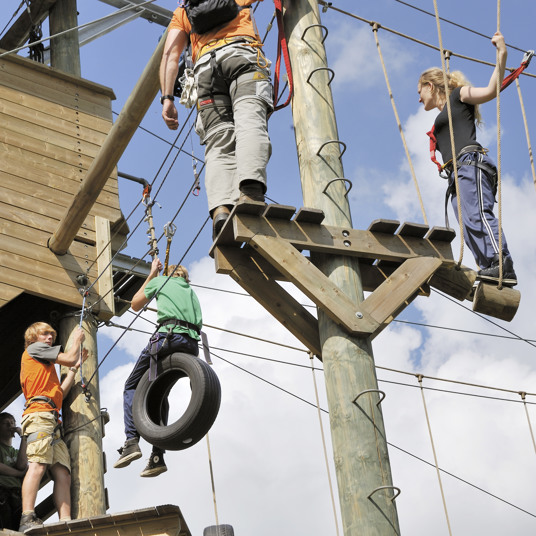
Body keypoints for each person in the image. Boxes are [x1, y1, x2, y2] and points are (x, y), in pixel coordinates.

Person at [159, 0, 273, 238]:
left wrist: (167, 98)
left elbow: (170, 55)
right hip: (242, 56)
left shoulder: (183, 12)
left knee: (218, 140)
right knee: (250, 121)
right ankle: (250, 191)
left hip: (205, 72)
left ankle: (221, 209)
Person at [418, 31, 517, 286]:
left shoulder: (458, 95)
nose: (419, 97)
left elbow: (491, 91)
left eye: (420, 91)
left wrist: (502, 53)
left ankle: (501, 262)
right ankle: (489, 267)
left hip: (470, 164)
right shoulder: (441, 116)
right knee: (466, 221)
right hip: (457, 173)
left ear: (430, 86)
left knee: (476, 214)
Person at [114, 257, 203, 477]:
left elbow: (135, 304)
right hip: (191, 345)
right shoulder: (191, 292)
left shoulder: (161, 280)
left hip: (167, 339)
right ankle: (157, 456)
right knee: (159, 393)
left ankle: (131, 441)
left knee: (132, 386)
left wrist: (152, 274)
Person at [19, 322, 88, 533]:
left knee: (62, 473)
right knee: (38, 464)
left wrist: (74, 369)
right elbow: (68, 357)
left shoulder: (45, 368)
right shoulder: (34, 349)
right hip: (39, 415)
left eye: (52, 334)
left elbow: (60, 394)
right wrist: (76, 341)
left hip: (51, 418)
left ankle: (65, 520)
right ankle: (27, 516)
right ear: (33, 338)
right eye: (45, 334)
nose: (49, 337)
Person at [0, 412, 27, 530]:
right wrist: (18, 474)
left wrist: (23, 437)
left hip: (16, 494)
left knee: (18, 529)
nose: (10, 426)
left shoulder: (16, 452)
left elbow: (21, 465)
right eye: (5, 423)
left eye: (12, 423)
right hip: (2, 491)